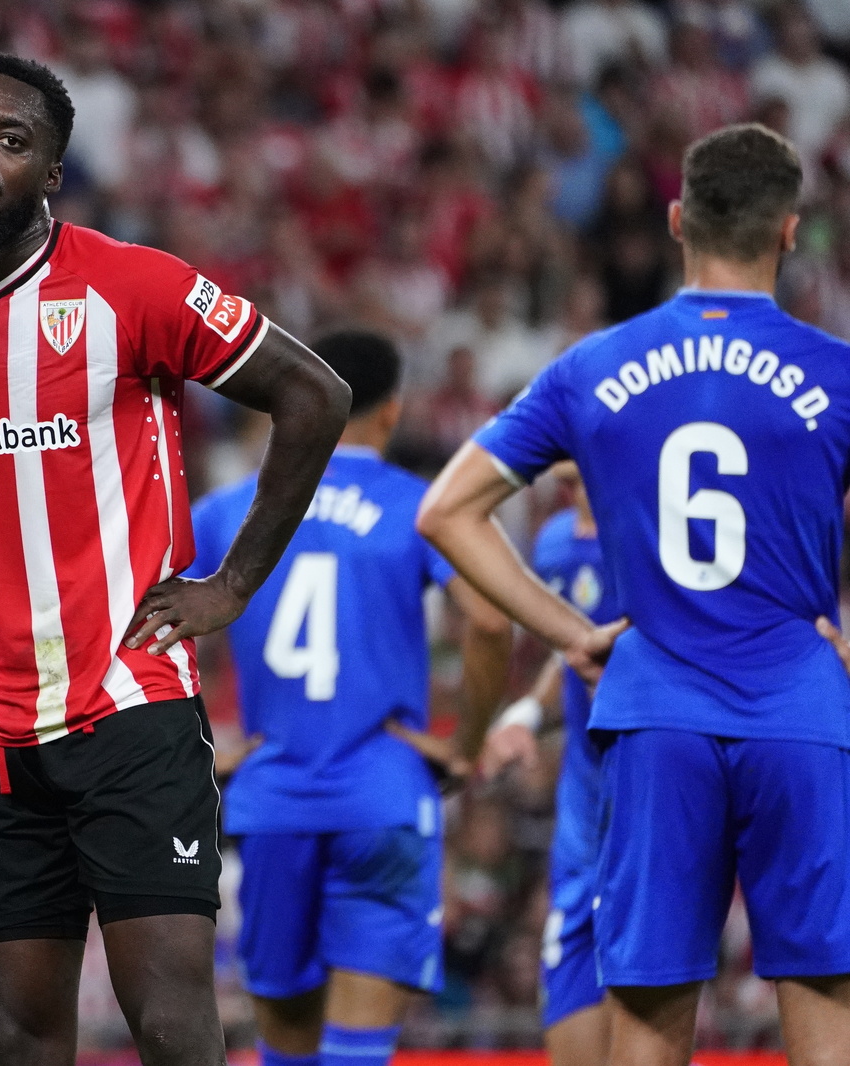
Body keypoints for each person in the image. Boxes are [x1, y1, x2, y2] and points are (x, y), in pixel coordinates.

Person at [0, 53, 351, 1066]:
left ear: (52, 173)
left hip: (128, 704)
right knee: (17, 1034)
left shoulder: (133, 286)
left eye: (10, 140)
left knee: (172, 1026)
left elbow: (314, 395)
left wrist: (232, 584)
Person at [418, 123, 850, 1065]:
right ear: (789, 232)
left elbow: (447, 511)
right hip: (800, 711)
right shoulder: (838, 373)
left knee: (650, 1018)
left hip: (656, 712)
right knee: (823, 1006)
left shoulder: (592, 366)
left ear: (677, 221)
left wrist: (571, 632)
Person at [186, 331, 511, 1066]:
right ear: (393, 409)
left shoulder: (228, 510)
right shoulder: (420, 507)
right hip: (382, 793)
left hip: (271, 798)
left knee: (285, 1045)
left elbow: (146, 618)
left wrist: (201, 743)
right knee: (358, 1050)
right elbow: (491, 622)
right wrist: (465, 745)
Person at [478, 463, 614, 1066]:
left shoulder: (655, 533)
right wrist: (528, 712)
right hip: (583, 810)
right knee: (569, 979)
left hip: (651, 802)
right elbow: (571, 651)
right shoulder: (555, 541)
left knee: (646, 993)